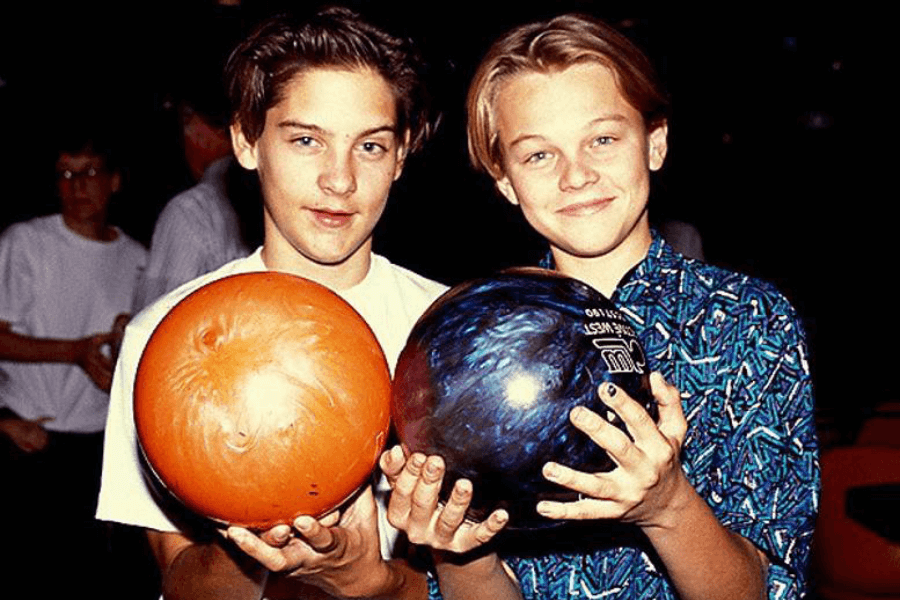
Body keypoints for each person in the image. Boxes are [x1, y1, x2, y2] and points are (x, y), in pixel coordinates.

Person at [383, 13, 819, 600]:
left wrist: (668, 506)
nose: (577, 175)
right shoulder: (462, 347)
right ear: (505, 181)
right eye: (538, 155)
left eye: (603, 139)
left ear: (655, 142)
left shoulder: (750, 322)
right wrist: (461, 548)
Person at [95, 8, 504, 599]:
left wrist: (376, 582)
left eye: (369, 145)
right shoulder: (167, 338)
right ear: (246, 139)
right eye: (307, 140)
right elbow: (180, 581)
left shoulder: (456, 337)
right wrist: (262, 545)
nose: (339, 179)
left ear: (402, 154)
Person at [0, 126, 148, 598]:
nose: (77, 185)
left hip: (97, 444)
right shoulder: (25, 242)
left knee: (91, 578)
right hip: (29, 434)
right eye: (65, 174)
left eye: (88, 173)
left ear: (115, 181)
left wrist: (124, 347)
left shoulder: (140, 259)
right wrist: (74, 352)